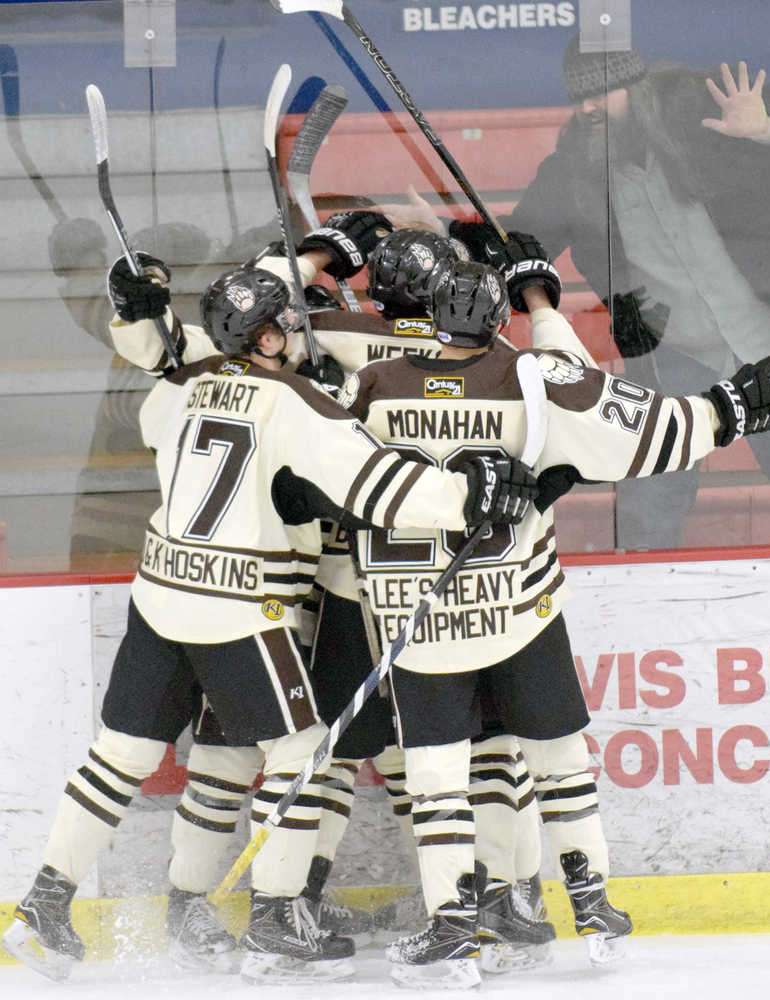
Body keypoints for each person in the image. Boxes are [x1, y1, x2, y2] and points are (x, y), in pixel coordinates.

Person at [1, 211, 537, 986]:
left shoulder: (181, 390)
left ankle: (44, 903)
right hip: (240, 612)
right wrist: (470, 490)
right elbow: (382, 487)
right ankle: (280, 911)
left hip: (159, 597)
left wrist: (139, 314)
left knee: (120, 753)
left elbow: (171, 359)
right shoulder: (300, 407)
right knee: (302, 757)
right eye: (285, 325)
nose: (298, 329)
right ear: (266, 339)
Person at [338, 240, 770, 988]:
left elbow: (334, 481)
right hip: (519, 611)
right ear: (496, 318)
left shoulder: (369, 383)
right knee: (558, 762)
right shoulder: (530, 375)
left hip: (419, 626)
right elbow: (636, 430)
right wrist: (726, 412)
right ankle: (593, 906)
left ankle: (454, 926)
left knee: (437, 779)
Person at [161, 228, 562, 975]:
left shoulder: (339, 335)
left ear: (378, 288)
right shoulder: (504, 362)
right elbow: (575, 392)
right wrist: (528, 292)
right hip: (468, 588)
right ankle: (503, 901)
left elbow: (243, 313)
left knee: (332, 754)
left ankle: (291, 905)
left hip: (343, 583)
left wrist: (312, 261)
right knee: (474, 752)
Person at [431, 50, 770, 548]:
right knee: (650, 506)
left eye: (600, 93)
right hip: (676, 355)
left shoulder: (707, 105)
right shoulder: (576, 166)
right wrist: (448, 237)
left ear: (637, 85)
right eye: (579, 97)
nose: (588, 107)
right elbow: (524, 240)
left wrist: (765, 131)